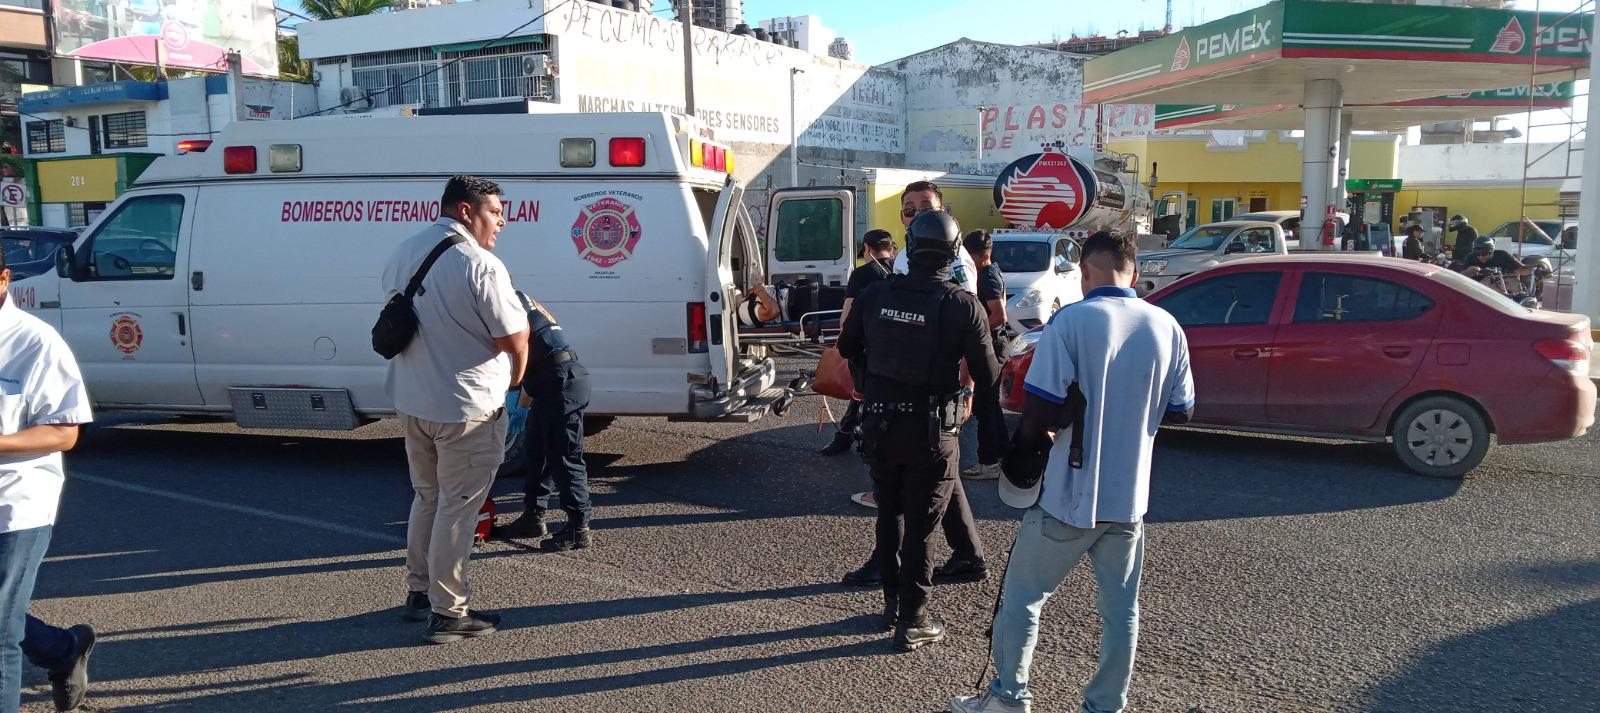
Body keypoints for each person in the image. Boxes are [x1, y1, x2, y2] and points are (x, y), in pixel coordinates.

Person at [950, 230, 1194, 713]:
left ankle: (1008, 697)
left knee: (1023, 598)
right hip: (1129, 498)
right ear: (1134, 274)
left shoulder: (1072, 321)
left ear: (1084, 272)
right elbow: (1182, 410)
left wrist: (1024, 454)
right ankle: (1105, 704)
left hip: (1069, 491)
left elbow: (1039, 409)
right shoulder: (1168, 326)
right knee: (1121, 611)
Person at [838, 210, 1001, 653]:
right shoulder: (961, 305)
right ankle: (913, 619)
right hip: (931, 432)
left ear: (910, 248)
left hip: (879, 423)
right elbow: (988, 375)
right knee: (922, 524)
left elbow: (847, 346)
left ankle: (893, 605)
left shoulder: (875, 293)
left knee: (889, 512)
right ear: (954, 251)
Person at [383, 176, 530, 645]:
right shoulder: (480, 264)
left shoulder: (404, 250)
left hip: (413, 400)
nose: (502, 222)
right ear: (467, 211)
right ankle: (449, 612)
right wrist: (517, 380)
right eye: (496, 212)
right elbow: (513, 338)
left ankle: (419, 593)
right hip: (466, 407)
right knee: (459, 507)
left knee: (427, 497)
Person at [0, 250, 97, 712]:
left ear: (3, 279)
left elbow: (63, 431)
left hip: (13, 503)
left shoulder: (35, 342)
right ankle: (63, 650)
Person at [496, 292, 594, 551]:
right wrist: (521, 406)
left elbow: (522, 350)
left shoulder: (509, 303)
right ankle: (533, 517)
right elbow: (536, 362)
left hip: (561, 381)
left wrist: (514, 390)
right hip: (551, 378)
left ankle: (578, 529)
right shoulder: (522, 301)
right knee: (537, 452)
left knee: (564, 457)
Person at [821, 229, 897, 458]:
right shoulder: (902, 271)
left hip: (867, 345)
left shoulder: (863, 274)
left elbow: (847, 317)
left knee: (860, 394)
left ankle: (847, 437)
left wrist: (845, 341)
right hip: (896, 345)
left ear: (866, 248)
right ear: (891, 249)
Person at [960, 230, 1010, 481]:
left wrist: (975, 333)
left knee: (985, 405)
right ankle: (1003, 455)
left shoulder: (988, 276)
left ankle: (988, 462)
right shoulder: (991, 271)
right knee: (989, 405)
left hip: (992, 346)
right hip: (993, 345)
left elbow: (999, 316)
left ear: (983, 256)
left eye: (970, 257)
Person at [892, 181, 979, 294]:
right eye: (909, 210)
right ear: (902, 217)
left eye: (925, 209)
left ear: (942, 212)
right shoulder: (901, 257)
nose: (917, 215)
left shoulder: (955, 256)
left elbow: (967, 299)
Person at [1457, 236, 1532, 280]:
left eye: (1484, 254)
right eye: (1477, 254)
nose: (1481, 257)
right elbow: (1460, 278)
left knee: (1529, 278)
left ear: (1491, 251)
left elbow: (1521, 269)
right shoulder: (1470, 258)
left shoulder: (1502, 255)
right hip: (1479, 290)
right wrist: (1468, 271)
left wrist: (1533, 270)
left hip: (1503, 288)